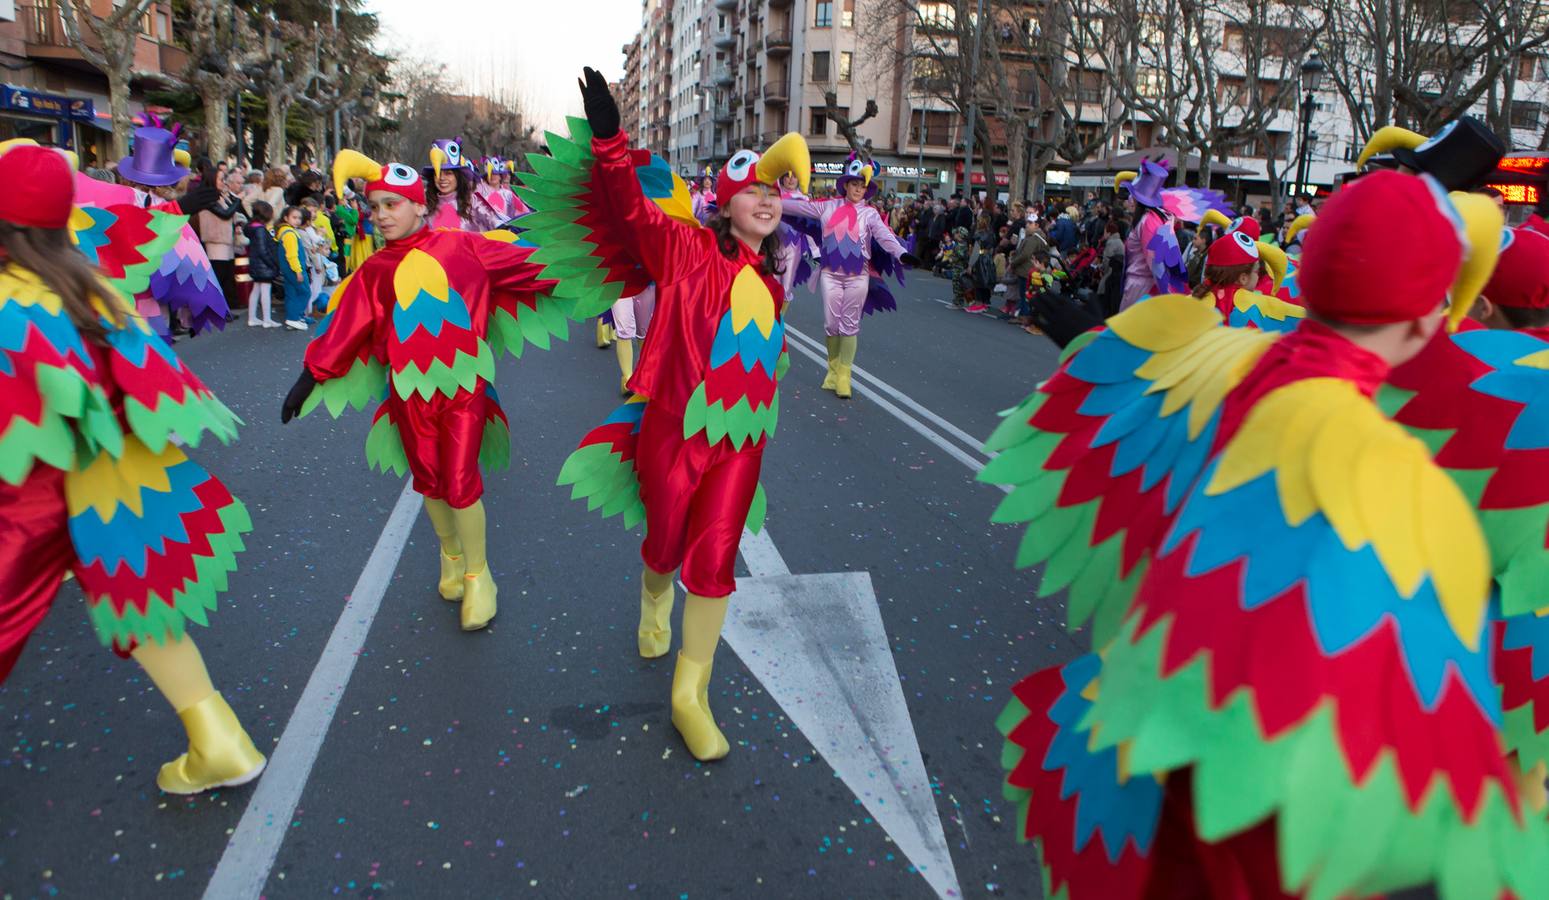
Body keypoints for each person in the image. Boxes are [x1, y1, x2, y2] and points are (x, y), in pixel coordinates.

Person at [987, 171, 1539, 899]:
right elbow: (1400, 755)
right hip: (1242, 798)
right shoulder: (1383, 472)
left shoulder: (1231, 361)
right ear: (1421, 320)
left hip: (1146, 718)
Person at [539, 68, 810, 762]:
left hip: (741, 442)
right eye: (751, 190)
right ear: (722, 204)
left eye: (772, 192)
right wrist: (609, 138)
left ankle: (691, 695)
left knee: (716, 559)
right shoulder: (685, 251)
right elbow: (629, 209)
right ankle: (652, 592)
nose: (765, 201)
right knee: (664, 543)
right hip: (672, 428)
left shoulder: (773, 283)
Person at [0, 143, 264, 796]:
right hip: (112, 483)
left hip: (30, 496)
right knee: (143, 611)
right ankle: (217, 737)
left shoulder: (11, 299)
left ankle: (218, 741)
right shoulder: (95, 287)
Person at [279, 149, 562, 632]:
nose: (383, 215)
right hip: (407, 391)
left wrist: (587, 266)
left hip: (462, 386)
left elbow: (533, 267)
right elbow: (346, 327)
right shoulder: (374, 271)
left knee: (459, 479)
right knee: (428, 478)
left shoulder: (462, 247)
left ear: (418, 205)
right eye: (376, 207)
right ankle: (451, 557)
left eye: (392, 204)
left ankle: (479, 574)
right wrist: (310, 376)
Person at [781, 151, 917, 398]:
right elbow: (795, 205)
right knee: (832, 324)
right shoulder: (827, 206)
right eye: (854, 184)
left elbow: (885, 236)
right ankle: (832, 371)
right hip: (830, 275)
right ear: (846, 185)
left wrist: (901, 253)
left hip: (858, 276)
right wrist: (764, 199)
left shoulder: (870, 214)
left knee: (849, 324)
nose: (858, 189)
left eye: (862, 185)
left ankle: (845, 375)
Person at [1115, 157, 1233, 310]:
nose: (1129, 200)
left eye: (1132, 195)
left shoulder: (1149, 221)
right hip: (1141, 288)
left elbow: (1158, 266)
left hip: (1142, 292)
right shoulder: (1152, 218)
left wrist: (1173, 299)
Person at [244, 200, 281, 327]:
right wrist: (272, 263)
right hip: (263, 265)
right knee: (266, 291)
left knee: (256, 290)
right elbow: (263, 249)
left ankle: (252, 317)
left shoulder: (251, 228)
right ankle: (267, 319)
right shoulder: (260, 230)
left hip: (255, 263)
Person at [275, 205, 311, 330]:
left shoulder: (285, 232)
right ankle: (294, 318)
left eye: (299, 218)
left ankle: (295, 317)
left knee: (292, 293)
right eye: (294, 217)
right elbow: (292, 255)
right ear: (286, 218)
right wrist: (298, 271)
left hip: (288, 269)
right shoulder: (290, 234)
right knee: (305, 292)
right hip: (294, 268)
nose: (297, 220)